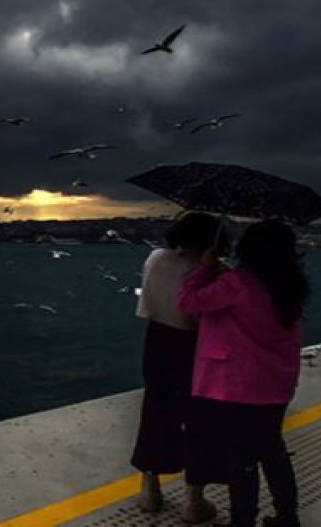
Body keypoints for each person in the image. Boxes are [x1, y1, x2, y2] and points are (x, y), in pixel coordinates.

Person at [177, 219, 307, 527]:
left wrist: (205, 268)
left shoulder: (236, 284)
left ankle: (242, 521)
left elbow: (187, 302)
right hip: (277, 384)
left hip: (241, 388)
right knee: (273, 452)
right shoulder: (290, 285)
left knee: (242, 459)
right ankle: (287, 517)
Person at [130, 212, 228, 522]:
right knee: (200, 419)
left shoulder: (156, 258)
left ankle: (150, 490)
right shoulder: (212, 270)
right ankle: (194, 500)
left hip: (158, 341)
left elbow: (149, 303)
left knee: (156, 411)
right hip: (197, 346)